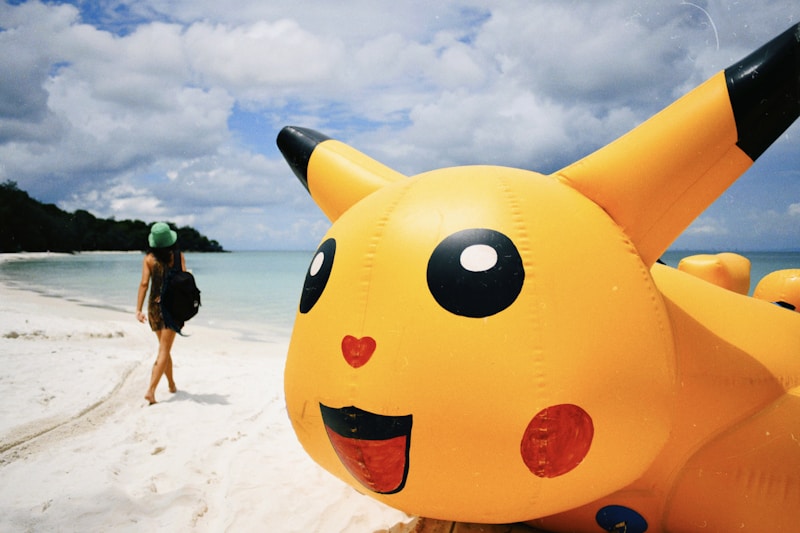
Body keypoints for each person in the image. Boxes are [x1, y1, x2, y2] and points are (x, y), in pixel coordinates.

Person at [136, 222, 186, 405]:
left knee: (164, 349)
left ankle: (172, 384)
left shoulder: (149, 259)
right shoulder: (178, 257)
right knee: (164, 350)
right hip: (171, 308)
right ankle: (151, 391)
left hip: (153, 308)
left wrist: (138, 309)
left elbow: (144, 284)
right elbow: (182, 283)